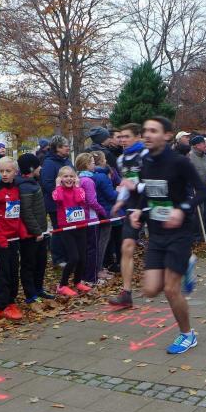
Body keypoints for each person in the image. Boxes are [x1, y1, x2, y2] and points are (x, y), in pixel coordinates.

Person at [129, 116, 206, 352]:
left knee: (172, 289)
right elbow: (148, 192)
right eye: (145, 130)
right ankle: (188, 263)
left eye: (154, 130)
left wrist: (182, 209)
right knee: (150, 290)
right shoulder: (145, 161)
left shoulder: (179, 162)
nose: (147, 135)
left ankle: (187, 335)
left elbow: (203, 191)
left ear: (167, 135)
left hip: (179, 233)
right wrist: (139, 211)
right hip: (156, 234)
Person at [108, 123, 148, 308]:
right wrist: (120, 200)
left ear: (138, 136)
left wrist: (136, 187)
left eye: (126, 136)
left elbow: (155, 183)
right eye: (120, 137)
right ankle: (126, 293)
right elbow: (126, 182)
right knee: (126, 247)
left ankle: (181, 267)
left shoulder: (147, 155)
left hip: (152, 204)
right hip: (133, 206)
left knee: (163, 245)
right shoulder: (121, 159)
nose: (122, 140)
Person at [0, 157, 27, 320]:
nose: (4, 174)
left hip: (13, 240)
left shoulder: (16, 189)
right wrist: (0, 238)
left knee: (13, 271)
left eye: (8, 171)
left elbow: (15, 214)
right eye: (1, 171)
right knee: (1, 273)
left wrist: (22, 231)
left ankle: (11, 301)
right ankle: (2, 305)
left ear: (15, 172)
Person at [16, 154, 52, 304]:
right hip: (31, 234)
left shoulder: (33, 183)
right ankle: (30, 294)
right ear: (31, 168)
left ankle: (39, 289)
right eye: (38, 166)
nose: (40, 168)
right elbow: (26, 212)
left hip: (41, 232)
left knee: (41, 262)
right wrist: (36, 231)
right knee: (29, 263)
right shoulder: (24, 186)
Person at [52, 166, 90, 297]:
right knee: (74, 258)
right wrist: (58, 185)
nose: (69, 179)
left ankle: (77, 281)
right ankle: (62, 285)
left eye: (71, 176)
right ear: (60, 178)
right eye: (65, 176)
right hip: (67, 229)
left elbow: (80, 199)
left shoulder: (79, 189)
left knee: (83, 258)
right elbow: (58, 199)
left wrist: (77, 186)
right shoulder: (58, 191)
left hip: (80, 226)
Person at [40, 135, 73, 267]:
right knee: (58, 230)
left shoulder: (67, 161)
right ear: (58, 148)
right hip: (55, 204)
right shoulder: (49, 163)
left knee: (69, 230)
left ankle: (68, 255)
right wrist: (61, 195)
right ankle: (58, 258)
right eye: (65, 146)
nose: (68, 148)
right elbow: (47, 184)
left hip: (70, 202)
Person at [75, 152, 107, 285]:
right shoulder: (88, 181)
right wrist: (103, 211)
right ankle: (91, 278)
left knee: (85, 249)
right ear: (86, 165)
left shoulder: (78, 179)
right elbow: (92, 201)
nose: (94, 165)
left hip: (82, 218)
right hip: (91, 218)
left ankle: (83, 276)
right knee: (92, 249)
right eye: (93, 163)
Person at [91, 150, 118, 280]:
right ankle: (98, 269)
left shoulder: (93, 175)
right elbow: (111, 196)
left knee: (97, 242)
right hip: (105, 212)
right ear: (101, 161)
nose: (106, 161)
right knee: (102, 242)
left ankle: (98, 267)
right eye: (104, 159)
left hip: (97, 212)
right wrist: (119, 191)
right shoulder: (102, 176)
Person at [188, 135, 206, 242]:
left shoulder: (205, 156)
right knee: (197, 214)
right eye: (203, 143)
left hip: (205, 189)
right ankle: (196, 236)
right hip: (194, 190)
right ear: (197, 145)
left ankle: (203, 234)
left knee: (205, 212)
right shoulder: (190, 157)